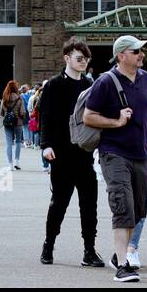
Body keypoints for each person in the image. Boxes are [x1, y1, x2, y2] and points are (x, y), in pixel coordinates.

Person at [83, 34, 147, 283]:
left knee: (138, 210)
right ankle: (123, 265)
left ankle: (119, 256)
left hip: (142, 154)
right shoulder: (106, 81)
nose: (141, 55)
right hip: (114, 152)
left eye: (142, 51)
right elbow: (89, 116)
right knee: (122, 205)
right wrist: (116, 121)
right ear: (121, 55)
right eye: (136, 51)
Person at [38, 38, 105, 268]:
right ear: (67, 58)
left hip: (84, 154)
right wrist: (45, 145)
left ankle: (89, 250)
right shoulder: (54, 85)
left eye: (85, 58)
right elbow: (45, 117)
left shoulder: (90, 84)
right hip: (61, 155)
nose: (83, 62)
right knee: (59, 203)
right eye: (79, 58)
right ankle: (48, 245)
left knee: (89, 205)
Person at [1, 81, 26, 171]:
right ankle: (17, 162)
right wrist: (21, 117)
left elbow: (1, 112)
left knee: (8, 143)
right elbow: (23, 112)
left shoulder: (4, 98)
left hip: (7, 123)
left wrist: (7, 115)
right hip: (18, 122)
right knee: (18, 141)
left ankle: (10, 164)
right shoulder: (19, 98)